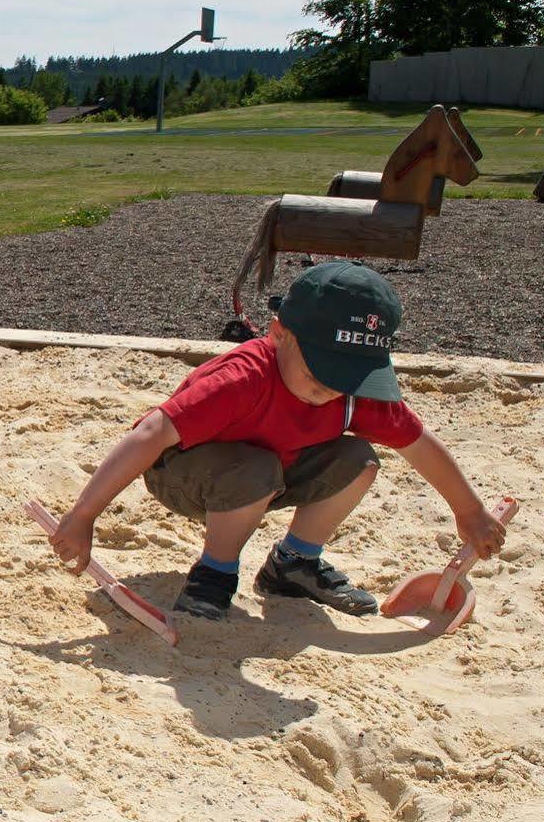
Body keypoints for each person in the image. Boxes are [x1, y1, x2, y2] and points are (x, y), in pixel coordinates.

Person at [46, 261, 507, 621]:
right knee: (254, 470)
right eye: (323, 372)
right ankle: (214, 573)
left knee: (358, 460)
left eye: (348, 377)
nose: (332, 388)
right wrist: (84, 514)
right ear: (280, 334)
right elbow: (150, 434)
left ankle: (294, 564)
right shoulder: (243, 379)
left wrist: (468, 511)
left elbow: (417, 443)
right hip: (184, 475)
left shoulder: (354, 392)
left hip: (272, 474)